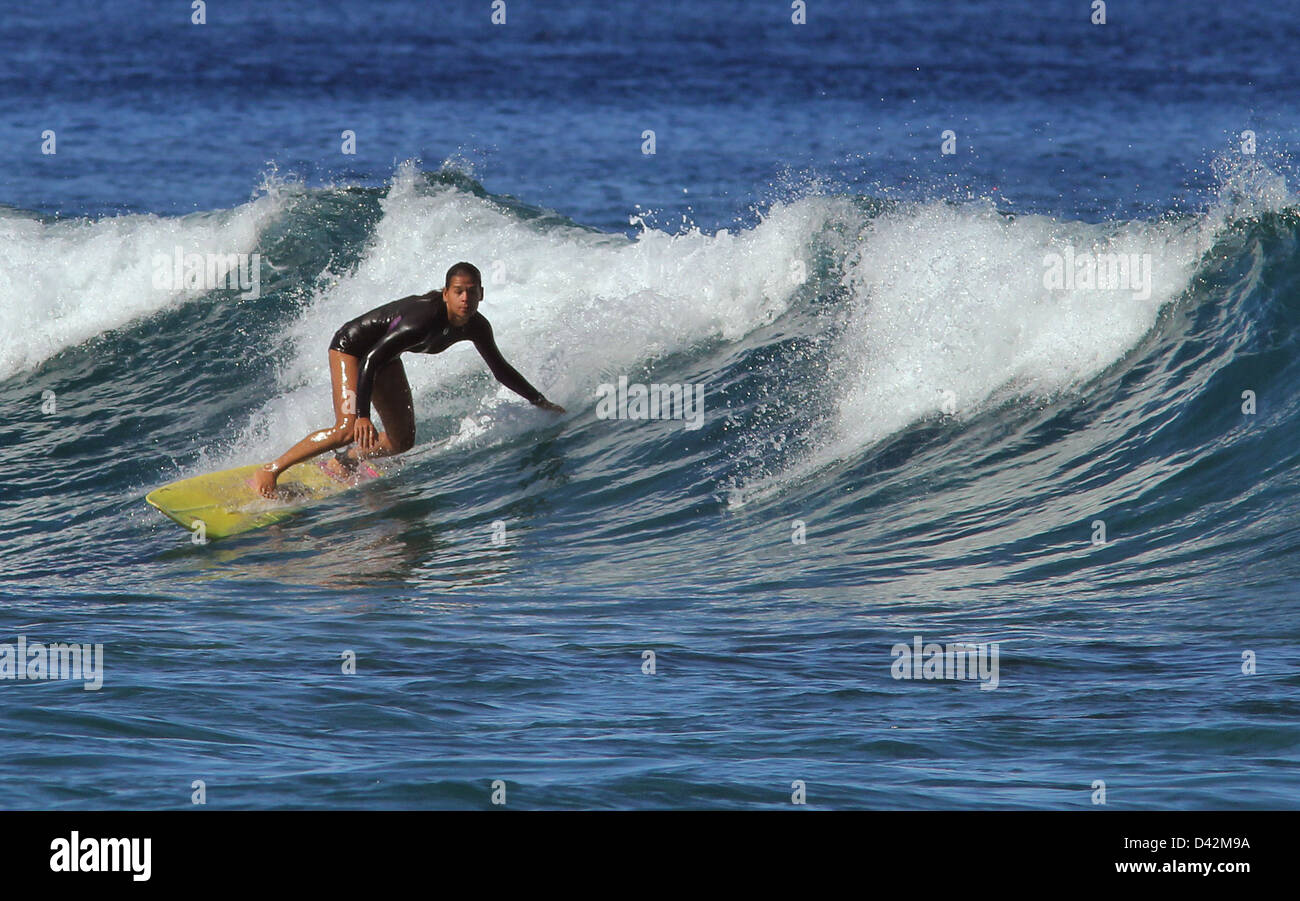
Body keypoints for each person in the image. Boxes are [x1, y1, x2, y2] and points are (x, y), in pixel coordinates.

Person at [251, 261, 563, 497]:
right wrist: (361, 416)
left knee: (401, 441)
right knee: (348, 428)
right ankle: (271, 470)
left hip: (383, 357)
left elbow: (500, 368)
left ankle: (343, 462)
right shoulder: (423, 319)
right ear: (446, 293)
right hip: (353, 348)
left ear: (481, 293)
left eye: (471, 291)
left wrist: (539, 401)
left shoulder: (476, 326)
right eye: (458, 292)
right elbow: (370, 358)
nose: (465, 298)